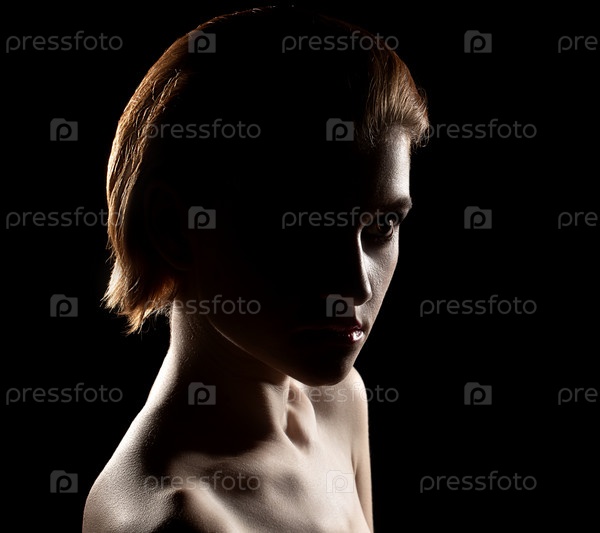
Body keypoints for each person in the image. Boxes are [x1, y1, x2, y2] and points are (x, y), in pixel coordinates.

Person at [82, 5, 428, 532]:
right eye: (304, 228)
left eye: (382, 226)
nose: (354, 284)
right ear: (175, 228)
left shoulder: (339, 403)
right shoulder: (174, 519)